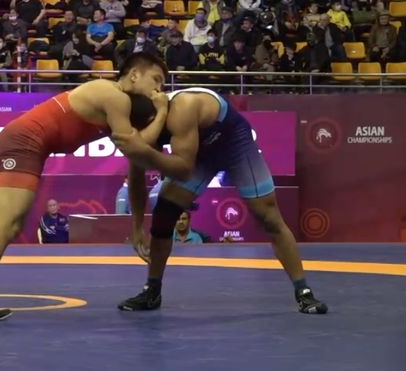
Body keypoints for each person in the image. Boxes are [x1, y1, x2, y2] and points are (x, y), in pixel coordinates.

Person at [0, 53, 171, 322]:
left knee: (5, 227)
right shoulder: (114, 96)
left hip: (24, 145)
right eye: (156, 80)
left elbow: (136, 154)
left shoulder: (116, 104)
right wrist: (161, 111)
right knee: (5, 227)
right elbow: (136, 147)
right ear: (134, 75)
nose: (159, 89)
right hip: (23, 144)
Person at [111, 86, 328, 315]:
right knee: (164, 214)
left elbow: (183, 169)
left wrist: (154, 157)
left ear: (153, 117)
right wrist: (137, 227)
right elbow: (136, 178)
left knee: (269, 218)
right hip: (197, 151)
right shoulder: (135, 128)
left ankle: (303, 292)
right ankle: (152, 291)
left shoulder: (183, 107)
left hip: (234, 144)